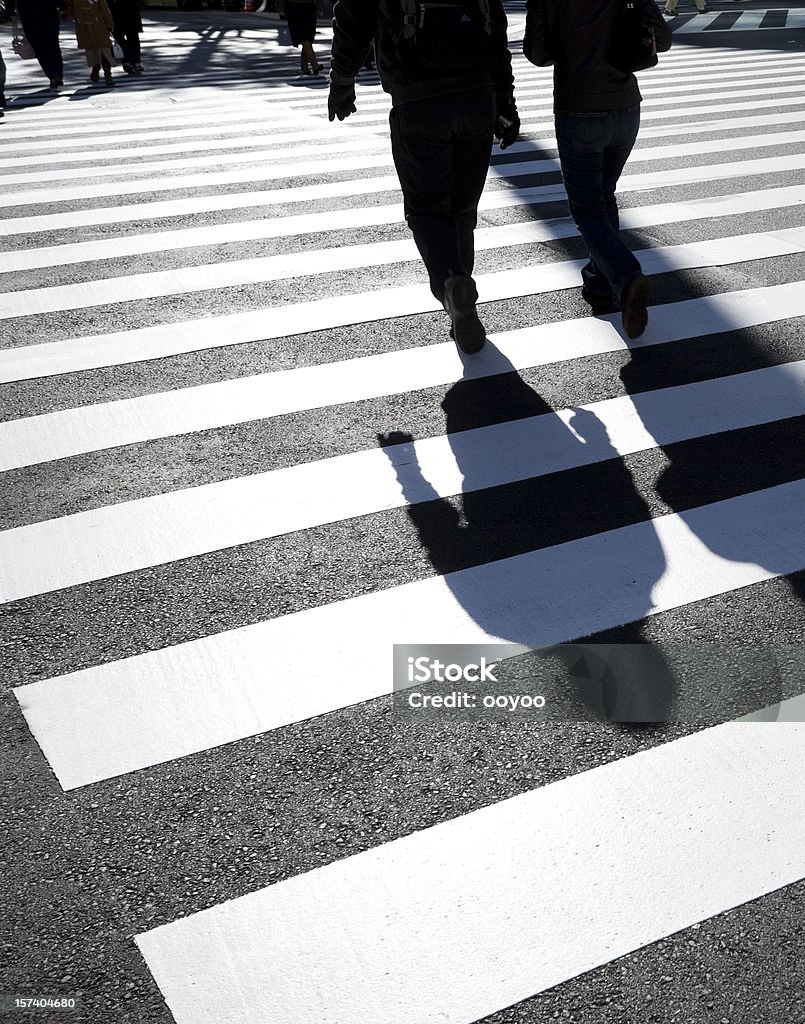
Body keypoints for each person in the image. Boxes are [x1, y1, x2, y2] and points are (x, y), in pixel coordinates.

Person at [329, 0, 519, 354]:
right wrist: (506, 102)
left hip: (418, 99)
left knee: (428, 210)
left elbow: (354, 17)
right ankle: (462, 298)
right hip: (478, 95)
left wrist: (342, 79)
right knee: (462, 209)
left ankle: (452, 283)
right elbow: (495, 26)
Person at [524, 0, 671, 339]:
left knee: (587, 207)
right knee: (604, 195)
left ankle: (625, 275)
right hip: (625, 107)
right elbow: (661, 39)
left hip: (580, 108)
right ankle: (600, 281)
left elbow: (538, 53)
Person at [6, 0, 65, 89]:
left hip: (29, 12)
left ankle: (53, 75)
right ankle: (56, 74)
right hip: (45, 10)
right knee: (51, 43)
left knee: (39, 46)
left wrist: (11, 11)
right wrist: (62, 5)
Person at [67, 0, 115, 85]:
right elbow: (70, 7)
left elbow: (104, 9)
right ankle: (95, 68)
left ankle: (107, 74)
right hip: (84, 26)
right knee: (91, 51)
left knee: (104, 51)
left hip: (99, 26)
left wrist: (109, 24)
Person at [286, 0, 322, 74]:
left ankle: (304, 66)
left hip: (309, 6)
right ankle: (314, 64)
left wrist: (320, 5)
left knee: (309, 36)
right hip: (294, 6)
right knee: (304, 36)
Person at [107, 0, 143, 74]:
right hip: (126, 11)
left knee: (127, 38)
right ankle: (133, 61)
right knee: (132, 38)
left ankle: (131, 60)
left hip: (120, 11)